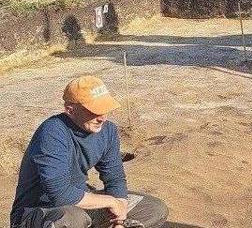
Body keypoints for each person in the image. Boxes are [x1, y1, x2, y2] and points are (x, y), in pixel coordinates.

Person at [11, 76, 169, 228]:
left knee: (153, 208)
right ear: (70, 110)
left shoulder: (108, 131)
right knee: (72, 219)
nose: (102, 118)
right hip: (38, 212)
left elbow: (115, 178)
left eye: (105, 109)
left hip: (80, 205)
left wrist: (119, 218)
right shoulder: (52, 132)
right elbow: (60, 194)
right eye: (94, 111)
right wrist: (111, 202)